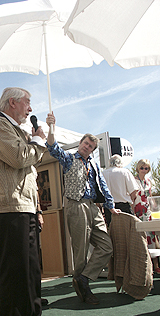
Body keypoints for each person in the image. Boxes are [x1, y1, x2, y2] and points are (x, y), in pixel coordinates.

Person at [0, 87, 58, 316]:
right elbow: (20, 158)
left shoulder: (18, 131)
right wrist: (37, 141)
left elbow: (30, 172)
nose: (30, 108)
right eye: (27, 102)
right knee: (14, 272)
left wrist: (36, 208)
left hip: (24, 207)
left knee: (31, 268)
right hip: (7, 207)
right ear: (12, 102)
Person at [46, 113, 120, 305]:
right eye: (85, 144)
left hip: (93, 207)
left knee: (106, 246)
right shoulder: (69, 159)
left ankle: (83, 278)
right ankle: (84, 289)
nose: (87, 147)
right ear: (80, 143)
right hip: (75, 204)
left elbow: (102, 185)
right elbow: (53, 148)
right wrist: (51, 127)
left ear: (93, 150)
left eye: (91, 146)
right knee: (80, 251)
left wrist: (111, 206)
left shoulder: (94, 164)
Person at [134, 159, 160, 274]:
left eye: (146, 168)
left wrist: (155, 207)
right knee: (141, 237)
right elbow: (132, 196)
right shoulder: (134, 180)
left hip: (148, 210)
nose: (144, 170)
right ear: (138, 168)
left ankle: (155, 265)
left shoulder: (149, 181)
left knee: (152, 236)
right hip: (138, 210)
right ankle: (145, 266)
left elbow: (150, 196)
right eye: (142, 168)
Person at [102, 154, 139, 226]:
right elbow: (133, 192)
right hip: (124, 207)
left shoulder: (103, 173)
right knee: (128, 232)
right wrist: (132, 205)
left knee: (112, 233)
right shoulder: (125, 172)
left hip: (108, 208)